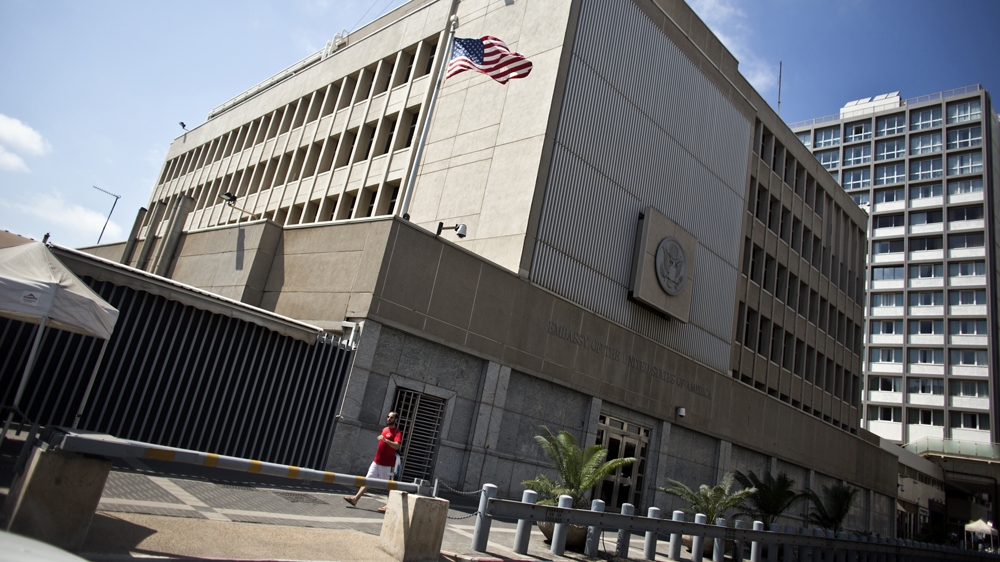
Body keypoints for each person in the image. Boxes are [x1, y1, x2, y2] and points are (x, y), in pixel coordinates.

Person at [344, 411, 402, 513]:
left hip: (387, 464)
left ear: (396, 420)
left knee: (389, 487)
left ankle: (390, 505)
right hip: (376, 462)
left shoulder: (397, 432)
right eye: (388, 417)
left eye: (391, 417)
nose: (388, 419)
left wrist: (385, 440)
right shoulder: (384, 429)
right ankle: (355, 499)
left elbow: (397, 446)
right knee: (367, 480)